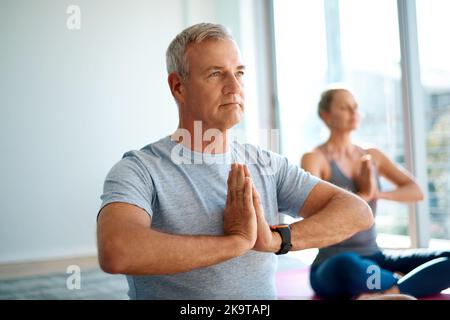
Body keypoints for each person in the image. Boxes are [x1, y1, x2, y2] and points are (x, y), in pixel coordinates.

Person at [96, 23, 374, 300]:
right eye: (216, 74)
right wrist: (235, 242)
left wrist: (275, 240)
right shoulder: (140, 169)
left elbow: (357, 212)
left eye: (239, 73)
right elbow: (117, 250)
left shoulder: (267, 164)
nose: (234, 86)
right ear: (178, 87)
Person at [301, 87, 450, 300]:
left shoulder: (371, 155)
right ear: (326, 116)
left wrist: (376, 194)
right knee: (350, 265)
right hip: (333, 263)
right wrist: (362, 194)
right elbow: (310, 210)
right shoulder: (315, 158)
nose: (354, 112)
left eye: (355, 107)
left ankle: (391, 290)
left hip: (375, 256)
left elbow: (415, 191)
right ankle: (404, 284)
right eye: (345, 108)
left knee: (447, 258)